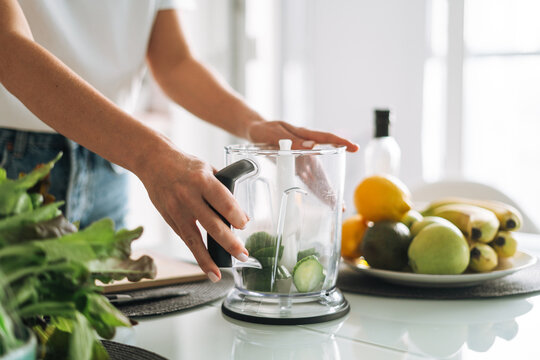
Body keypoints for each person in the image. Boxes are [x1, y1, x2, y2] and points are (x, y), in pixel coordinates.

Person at [0, 0, 358, 282]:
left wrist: (255, 124)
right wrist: (153, 155)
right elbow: (8, 48)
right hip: (13, 162)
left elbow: (174, 61)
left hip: (109, 162)